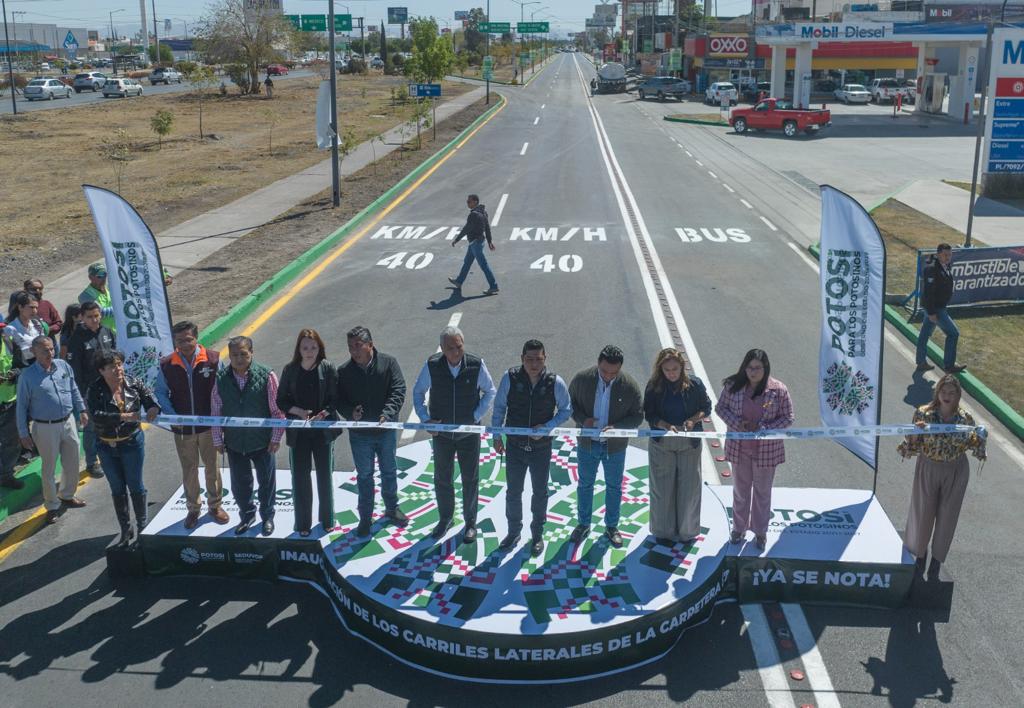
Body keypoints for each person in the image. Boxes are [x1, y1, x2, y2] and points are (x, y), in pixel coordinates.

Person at [412, 326, 496, 543]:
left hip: (468, 434)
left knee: (470, 478)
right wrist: (425, 419)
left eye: (459, 347)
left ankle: (470, 523)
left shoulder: (476, 364)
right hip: (442, 435)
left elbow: (490, 391)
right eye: (450, 348)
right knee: (442, 478)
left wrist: (475, 415)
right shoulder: (432, 365)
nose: (456, 352)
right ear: (442, 348)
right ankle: (445, 518)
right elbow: (418, 392)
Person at [897, 374, 985, 580]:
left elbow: (974, 446)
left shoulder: (966, 419)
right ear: (937, 392)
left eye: (951, 393)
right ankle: (920, 557)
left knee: (947, 517)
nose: (947, 396)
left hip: (956, 470)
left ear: (958, 395)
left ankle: (936, 562)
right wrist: (914, 432)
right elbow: (910, 446)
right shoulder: (923, 414)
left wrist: (982, 436)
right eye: (943, 391)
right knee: (923, 513)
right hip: (929, 467)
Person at [491, 339, 572, 557]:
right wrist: (496, 436)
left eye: (538, 359)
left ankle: (537, 534)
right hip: (515, 447)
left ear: (545, 358)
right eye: (529, 359)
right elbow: (499, 408)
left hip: (541, 449)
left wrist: (547, 427)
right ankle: (513, 532)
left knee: (540, 492)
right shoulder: (509, 378)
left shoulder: (556, 382)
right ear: (522, 359)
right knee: (513, 492)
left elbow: (566, 410)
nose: (534, 364)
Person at [715, 349, 794, 552]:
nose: (753, 372)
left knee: (762, 492)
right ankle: (738, 528)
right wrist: (737, 424)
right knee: (740, 491)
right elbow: (720, 408)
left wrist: (764, 429)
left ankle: (760, 532)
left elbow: (788, 417)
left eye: (757, 368)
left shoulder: (778, 390)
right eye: (749, 367)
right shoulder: (733, 386)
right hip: (740, 449)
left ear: (765, 368)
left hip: (766, 452)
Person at [154, 321, 229, 530]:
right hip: (182, 430)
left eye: (189, 339)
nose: (185, 344)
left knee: (212, 468)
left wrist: (218, 420)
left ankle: (215, 506)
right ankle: (193, 509)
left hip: (208, 427)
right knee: (189, 470)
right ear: (174, 342)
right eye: (180, 341)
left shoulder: (213, 360)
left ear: (196, 338)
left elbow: (222, 390)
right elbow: (160, 391)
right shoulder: (167, 364)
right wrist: (173, 416)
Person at [568, 345, 644, 548]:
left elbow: (638, 416)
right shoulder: (582, 379)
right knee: (585, 484)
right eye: (604, 371)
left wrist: (618, 427)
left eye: (614, 372)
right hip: (587, 444)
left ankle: (612, 526)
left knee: (614, 487)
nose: (609, 376)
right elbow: (570, 404)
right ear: (598, 363)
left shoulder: (629, 385)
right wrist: (584, 419)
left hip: (615, 448)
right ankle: (583, 524)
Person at [336, 326, 407, 537]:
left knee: (389, 471)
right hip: (360, 435)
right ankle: (365, 518)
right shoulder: (344, 372)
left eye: (358, 346)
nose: (354, 351)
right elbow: (339, 400)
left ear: (370, 344)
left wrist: (388, 413)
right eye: (350, 347)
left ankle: (392, 508)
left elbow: (398, 389)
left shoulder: (388, 363)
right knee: (365, 476)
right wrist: (350, 412)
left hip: (385, 431)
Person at [211, 336, 285, 537]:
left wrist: (276, 437)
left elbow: (277, 411)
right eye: (234, 355)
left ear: (251, 353)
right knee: (240, 484)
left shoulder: (267, 376)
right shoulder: (221, 378)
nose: (239, 359)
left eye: (243, 354)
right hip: (235, 443)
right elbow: (216, 411)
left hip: (262, 441)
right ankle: (247, 515)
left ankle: (267, 517)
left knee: (267, 482)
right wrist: (218, 439)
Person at [87, 350, 160, 546]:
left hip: (131, 442)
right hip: (106, 445)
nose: (118, 369)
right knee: (117, 488)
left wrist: (153, 407)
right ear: (101, 370)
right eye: (112, 366)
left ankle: (143, 526)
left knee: (136, 485)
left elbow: (149, 398)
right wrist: (122, 416)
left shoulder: (133, 382)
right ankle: (126, 529)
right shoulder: (95, 389)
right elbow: (96, 415)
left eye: (119, 364)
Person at [15, 336, 89, 524]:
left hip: (68, 421)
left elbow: (73, 389)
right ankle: (52, 505)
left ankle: (67, 495)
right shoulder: (28, 376)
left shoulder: (63, 366)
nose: (50, 354)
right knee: (48, 468)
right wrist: (23, 433)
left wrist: (81, 409)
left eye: (51, 349)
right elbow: (21, 406)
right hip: (44, 427)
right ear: (34, 352)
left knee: (72, 462)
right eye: (44, 351)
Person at [643, 348, 712, 546]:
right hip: (662, 442)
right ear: (660, 369)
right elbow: (649, 414)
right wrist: (664, 425)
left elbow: (706, 408)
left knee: (689, 489)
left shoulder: (695, 384)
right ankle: (663, 533)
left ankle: (687, 532)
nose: (671, 373)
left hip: (689, 442)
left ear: (682, 367)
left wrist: (692, 420)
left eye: (675, 369)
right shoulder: (654, 387)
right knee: (662, 489)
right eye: (667, 370)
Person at [277, 328, 339, 537]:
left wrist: (323, 414)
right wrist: (298, 412)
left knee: (324, 476)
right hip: (299, 433)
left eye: (313, 347)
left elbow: (335, 398)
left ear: (319, 348)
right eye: (305, 347)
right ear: (299, 349)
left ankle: (328, 518)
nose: (309, 351)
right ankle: (303, 523)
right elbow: (281, 400)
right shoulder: (290, 370)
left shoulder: (327, 368)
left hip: (322, 432)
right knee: (300, 477)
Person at [66, 301, 116, 479]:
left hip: (110, 387)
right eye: (90, 317)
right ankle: (91, 462)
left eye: (97, 316)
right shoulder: (77, 339)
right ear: (82, 317)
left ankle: (109, 452)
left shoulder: (106, 332)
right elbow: (74, 371)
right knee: (91, 428)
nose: (94, 320)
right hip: (88, 391)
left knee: (110, 420)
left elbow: (115, 357)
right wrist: (80, 397)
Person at [916, 243, 966, 375]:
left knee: (925, 334)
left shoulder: (945, 266)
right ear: (938, 254)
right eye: (945, 254)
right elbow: (928, 293)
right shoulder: (932, 269)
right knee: (953, 333)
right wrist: (931, 312)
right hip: (936, 309)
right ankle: (949, 365)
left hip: (937, 307)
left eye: (949, 254)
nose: (948, 257)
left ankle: (921, 362)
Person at [448, 194, 499, 296]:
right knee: (467, 262)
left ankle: (493, 286)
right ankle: (459, 281)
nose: (467, 203)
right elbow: (487, 228)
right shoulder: (483, 212)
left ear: (475, 202)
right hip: (477, 242)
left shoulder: (473, 215)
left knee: (483, 265)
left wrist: (457, 239)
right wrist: (489, 241)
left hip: (475, 243)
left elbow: (466, 229)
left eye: (469, 202)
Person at [0, 326, 23, 490]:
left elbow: (21, 366)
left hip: (9, 400)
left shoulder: (10, 343)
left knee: (12, 441)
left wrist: (13, 374)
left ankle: (6, 475)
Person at [6, 292, 49, 365]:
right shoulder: (10, 329)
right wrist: (33, 350)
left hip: (40, 364)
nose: (34, 311)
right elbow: (9, 354)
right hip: (23, 368)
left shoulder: (37, 324)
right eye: (31, 307)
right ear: (20, 307)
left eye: (36, 308)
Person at [78, 261, 116, 333]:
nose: (103, 278)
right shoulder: (85, 296)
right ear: (90, 277)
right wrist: (119, 309)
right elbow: (100, 313)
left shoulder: (110, 288)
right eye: (99, 276)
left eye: (105, 274)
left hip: (118, 333)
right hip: (102, 335)